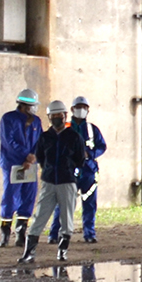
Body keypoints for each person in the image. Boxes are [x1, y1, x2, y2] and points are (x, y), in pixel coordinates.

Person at [23, 100, 88, 263]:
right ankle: (29, 253)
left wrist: (71, 172)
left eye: (60, 115)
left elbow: (80, 160)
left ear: (65, 116)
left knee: (67, 219)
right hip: (49, 182)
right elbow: (41, 158)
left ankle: (62, 251)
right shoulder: (45, 137)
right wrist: (49, 171)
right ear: (49, 117)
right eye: (54, 115)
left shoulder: (74, 137)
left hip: (67, 182)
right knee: (39, 217)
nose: (57, 118)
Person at [48, 96, 105, 244]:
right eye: (78, 107)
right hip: (67, 172)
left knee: (90, 204)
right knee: (62, 204)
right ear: (72, 110)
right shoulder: (63, 127)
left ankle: (89, 234)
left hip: (88, 172)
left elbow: (101, 147)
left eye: (84, 107)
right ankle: (54, 235)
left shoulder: (92, 130)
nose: (82, 110)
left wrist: (90, 154)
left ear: (88, 110)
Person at [0, 88, 43, 248]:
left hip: (30, 166)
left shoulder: (36, 121)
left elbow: (39, 141)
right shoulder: (8, 119)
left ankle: (21, 233)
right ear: (24, 105)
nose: (35, 108)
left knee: (28, 197)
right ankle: (5, 234)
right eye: (33, 105)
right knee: (10, 197)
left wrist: (33, 157)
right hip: (13, 165)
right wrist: (25, 156)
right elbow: (8, 142)